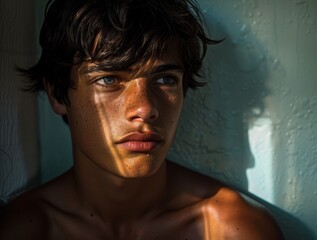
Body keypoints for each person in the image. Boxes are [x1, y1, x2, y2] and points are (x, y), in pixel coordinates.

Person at [0, 0, 283, 239]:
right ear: (58, 94)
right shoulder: (26, 228)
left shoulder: (230, 229)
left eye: (165, 79)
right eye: (109, 79)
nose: (145, 108)